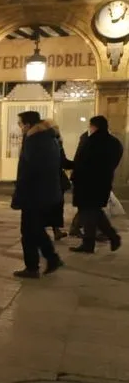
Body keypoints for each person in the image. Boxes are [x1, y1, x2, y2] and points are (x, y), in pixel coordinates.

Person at [10, 111, 64, 278]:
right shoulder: (50, 138)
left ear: (27, 125)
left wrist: (19, 194)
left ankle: (35, 266)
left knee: (28, 232)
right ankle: (48, 259)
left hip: (34, 194)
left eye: (20, 124)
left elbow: (29, 170)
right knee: (35, 229)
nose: (20, 128)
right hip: (47, 193)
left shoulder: (33, 141)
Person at [70, 115, 123, 254]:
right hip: (102, 182)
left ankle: (91, 243)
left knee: (89, 213)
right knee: (95, 212)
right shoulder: (114, 143)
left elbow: (82, 162)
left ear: (94, 126)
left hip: (87, 183)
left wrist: (71, 168)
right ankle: (111, 237)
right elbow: (114, 162)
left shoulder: (91, 142)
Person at [49, 122, 72, 241]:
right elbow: (63, 162)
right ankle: (55, 230)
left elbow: (63, 162)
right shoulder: (56, 143)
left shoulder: (55, 143)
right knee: (56, 205)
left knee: (53, 205)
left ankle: (56, 229)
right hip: (54, 179)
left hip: (52, 179)